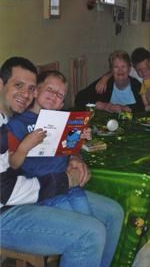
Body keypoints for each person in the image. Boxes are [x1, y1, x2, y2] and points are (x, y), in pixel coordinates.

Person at [0, 57, 123, 267]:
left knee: (114, 213)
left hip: (36, 192)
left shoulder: (7, 120)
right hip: (11, 208)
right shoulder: (14, 125)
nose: (26, 94)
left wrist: (75, 158)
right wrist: (65, 181)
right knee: (91, 233)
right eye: (18, 85)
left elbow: (64, 148)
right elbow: (7, 187)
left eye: (30, 88)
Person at [7, 70, 92, 214]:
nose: (54, 96)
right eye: (50, 89)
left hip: (69, 184)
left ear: (61, 104)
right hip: (43, 191)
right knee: (88, 227)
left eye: (60, 95)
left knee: (88, 217)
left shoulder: (64, 120)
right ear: (36, 91)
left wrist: (79, 139)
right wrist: (26, 145)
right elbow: (12, 165)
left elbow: (70, 149)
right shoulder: (18, 122)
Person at [75, 50, 145, 113]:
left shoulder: (137, 85)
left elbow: (144, 106)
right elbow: (80, 98)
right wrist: (104, 106)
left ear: (129, 69)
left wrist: (126, 108)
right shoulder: (105, 83)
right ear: (111, 70)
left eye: (123, 66)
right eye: (116, 67)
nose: (120, 70)